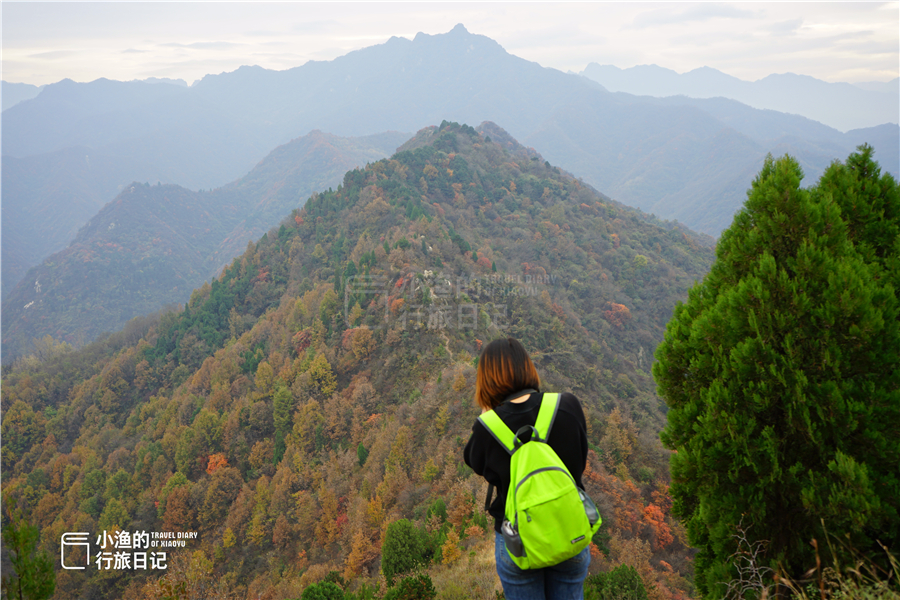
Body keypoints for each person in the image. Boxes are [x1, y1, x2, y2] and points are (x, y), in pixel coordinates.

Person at [464, 337, 591, 600]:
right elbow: (580, 458)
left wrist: (490, 415)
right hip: (570, 531)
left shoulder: (488, 427)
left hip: (517, 539)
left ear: (486, 379)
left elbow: (476, 463)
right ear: (527, 367)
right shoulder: (567, 405)